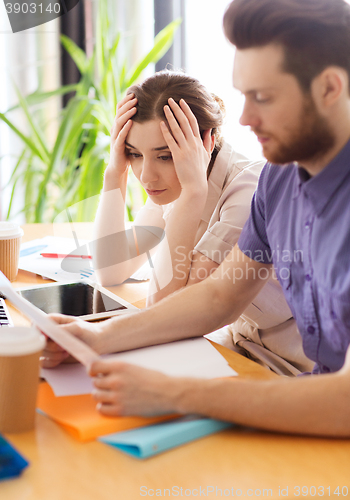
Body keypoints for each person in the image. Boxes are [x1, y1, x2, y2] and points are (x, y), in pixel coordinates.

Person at [43, 0, 350, 436]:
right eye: (244, 96)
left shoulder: (252, 183)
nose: (243, 118)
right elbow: (218, 297)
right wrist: (95, 338)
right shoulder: (280, 182)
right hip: (288, 388)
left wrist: (174, 393)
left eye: (262, 97)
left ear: (330, 88)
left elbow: (344, 401)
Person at [92, 70, 312, 376]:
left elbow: (163, 312)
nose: (146, 175)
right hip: (242, 345)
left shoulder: (247, 191)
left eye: (165, 155)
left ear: (207, 140)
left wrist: (194, 192)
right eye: (135, 153)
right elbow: (110, 269)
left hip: (295, 360)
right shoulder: (171, 185)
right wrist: (114, 172)